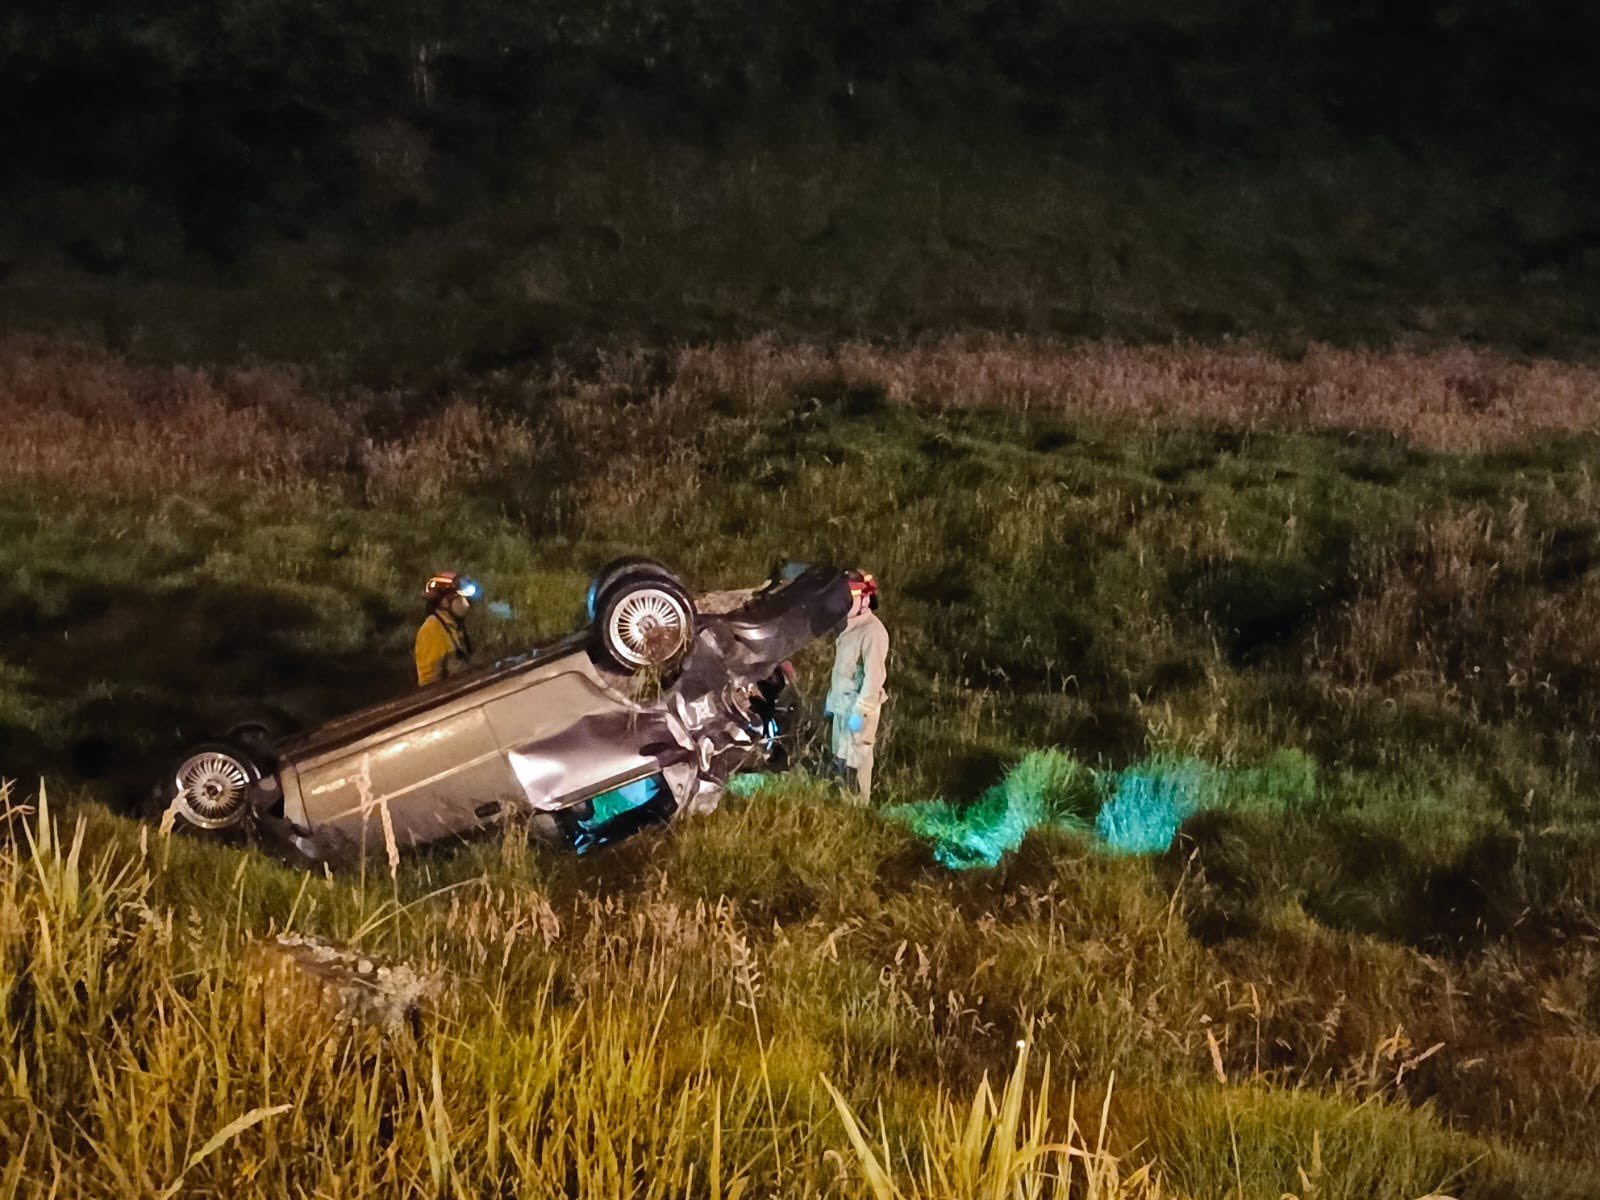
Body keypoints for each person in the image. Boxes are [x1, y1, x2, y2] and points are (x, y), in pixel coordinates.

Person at [825, 570, 889, 806]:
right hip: (841, 705)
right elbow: (841, 671)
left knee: (856, 761)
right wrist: (830, 705)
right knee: (839, 760)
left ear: (864, 599)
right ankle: (841, 807)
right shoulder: (848, 627)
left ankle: (859, 809)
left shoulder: (873, 632)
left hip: (859, 711)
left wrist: (859, 713)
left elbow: (874, 678)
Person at [414, 571, 479, 685]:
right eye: (458, 597)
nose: (465, 603)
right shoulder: (432, 630)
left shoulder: (453, 626)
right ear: (444, 602)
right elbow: (429, 682)